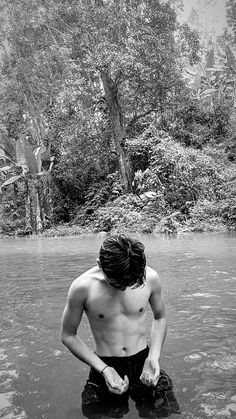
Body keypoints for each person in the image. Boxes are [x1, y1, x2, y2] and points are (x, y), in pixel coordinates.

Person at [61, 235, 180, 417]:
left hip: (143, 360)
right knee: (98, 413)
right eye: (117, 283)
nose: (123, 289)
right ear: (99, 264)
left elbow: (160, 317)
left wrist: (153, 357)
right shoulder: (82, 287)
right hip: (104, 364)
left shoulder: (150, 278)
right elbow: (68, 335)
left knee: (163, 412)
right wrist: (104, 370)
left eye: (129, 283)